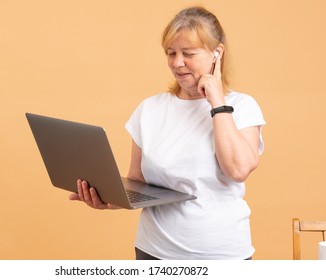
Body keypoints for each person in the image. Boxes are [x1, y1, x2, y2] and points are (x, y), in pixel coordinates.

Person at [69, 6, 266, 260]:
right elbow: (137, 181)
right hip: (154, 252)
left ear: (217, 53)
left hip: (222, 256)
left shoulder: (241, 107)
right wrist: (108, 197)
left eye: (188, 53)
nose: (177, 63)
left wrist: (217, 102)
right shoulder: (150, 109)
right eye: (171, 53)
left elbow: (238, 169)